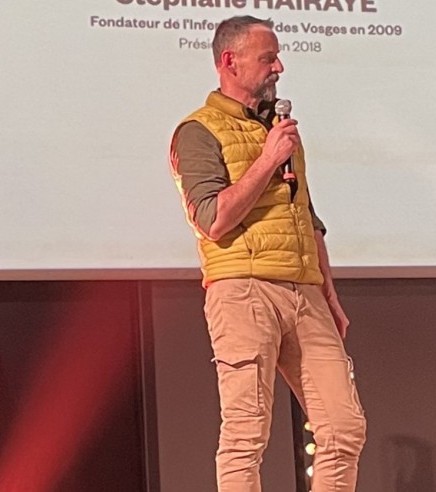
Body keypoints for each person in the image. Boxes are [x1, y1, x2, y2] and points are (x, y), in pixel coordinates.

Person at [168, 15, 367, 492]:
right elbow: (213, 219)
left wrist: (329, 292)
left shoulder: (279, 129)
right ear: (229, 61)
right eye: (268, 58)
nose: (279, 67)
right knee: (246, 434)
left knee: (343, 428)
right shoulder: (198, 130)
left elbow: (306, 215)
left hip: (305, 292)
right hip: (244, 290)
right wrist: (268, 159)